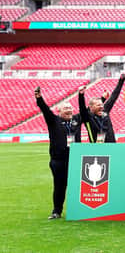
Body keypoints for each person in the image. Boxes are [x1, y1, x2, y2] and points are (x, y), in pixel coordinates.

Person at [35, 86, 82, 219]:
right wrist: (39, 98)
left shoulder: (77, 120)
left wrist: (99, 99)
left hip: (75, 159)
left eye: (70, 108)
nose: (69, 110)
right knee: (60, 186)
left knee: (77, 186)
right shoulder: (54, 121)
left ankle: (79, 209)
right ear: (59, 111)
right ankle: (57, 211)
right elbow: (45, 110)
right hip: (58, 160)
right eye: (66, 108)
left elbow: (86, 111)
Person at [78, 73, 125, 143]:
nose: (101, 106)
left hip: (112, 146)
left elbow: (113, 96)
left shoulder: (105, 111)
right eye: (98, 105)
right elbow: (82, 108)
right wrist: (81, 95)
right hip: (97, 149)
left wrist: (121, 81)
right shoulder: (87, 117)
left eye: (101, 104)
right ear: (91, 107)